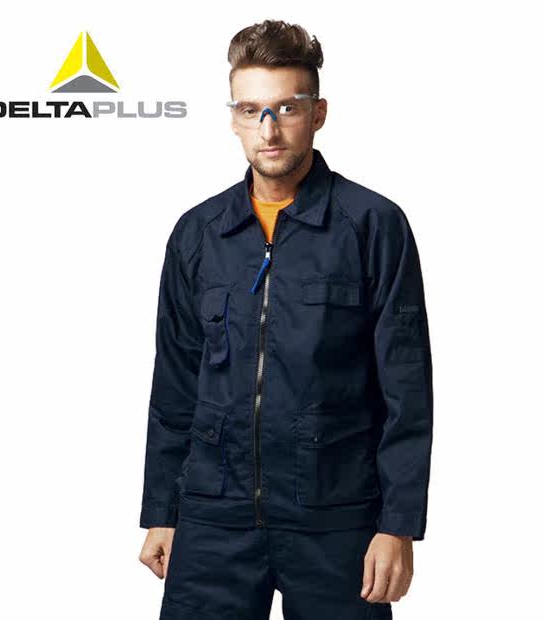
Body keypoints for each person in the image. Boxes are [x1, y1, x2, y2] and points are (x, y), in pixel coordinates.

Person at [138, 19, 433, 620]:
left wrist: (398, 525)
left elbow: (406, 389)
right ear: (234, 118)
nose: (268, 130)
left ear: (318, 113)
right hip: (213, 517)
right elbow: (174, 386)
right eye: (251, 110)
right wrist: (162, 512)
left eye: (286, 108)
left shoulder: (373, 226)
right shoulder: (198, 234)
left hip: (337, 518)